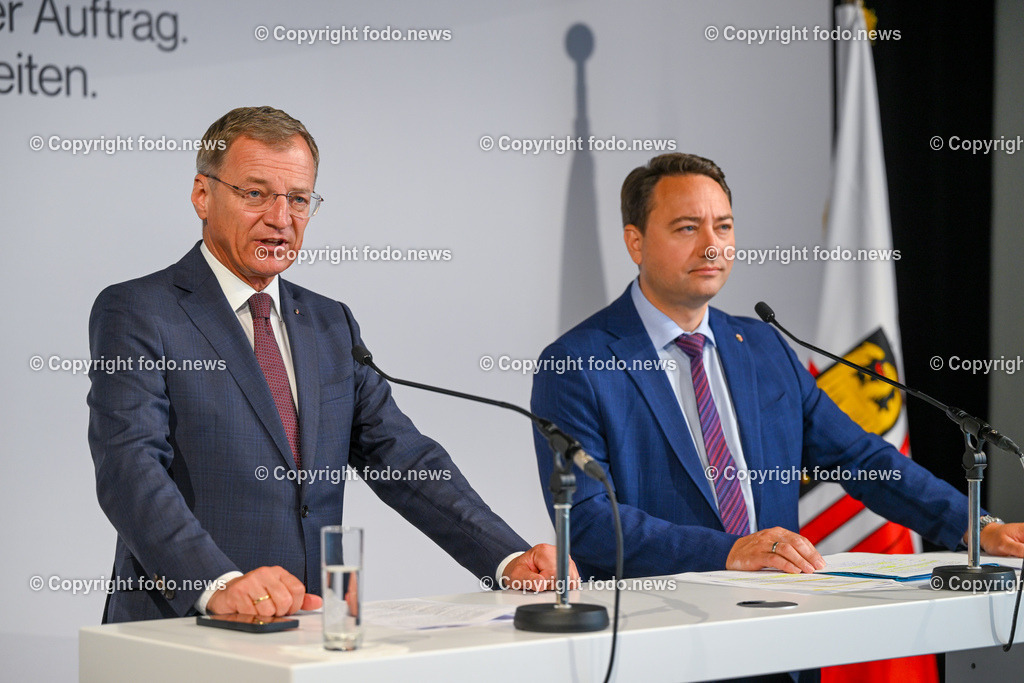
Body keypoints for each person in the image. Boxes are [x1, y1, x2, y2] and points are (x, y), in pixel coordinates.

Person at [88, 105, 575, 623]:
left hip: (313, 623)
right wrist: (217, 582)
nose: (281, 219)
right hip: (184, 625)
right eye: (255, 194)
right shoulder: (140, 310)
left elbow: (402, 458)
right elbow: (129, 466)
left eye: (298, 199)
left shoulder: (328, 323)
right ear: (202, 195)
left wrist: (507, 558)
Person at [530, 152, 1024, 581]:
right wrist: (728, 552)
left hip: (780, 624)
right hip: (659, 635)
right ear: (635, 243)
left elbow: (862, 459)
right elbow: (589, 521)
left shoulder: (763, 345)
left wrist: (977, 527)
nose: (711, 245)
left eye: (723, 226)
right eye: (687, 228)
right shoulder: (578, 363)